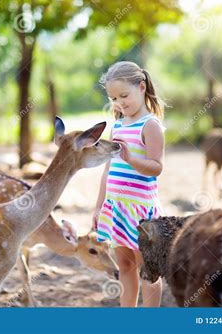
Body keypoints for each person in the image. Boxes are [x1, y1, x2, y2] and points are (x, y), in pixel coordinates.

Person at [93, 61, 165, 307]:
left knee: (148, 270)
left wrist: (132, 159)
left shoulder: (150, 125)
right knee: (125, 265)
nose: (119, 102)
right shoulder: (117, 126)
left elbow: (156, 166)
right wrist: (99, 205)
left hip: (141, 211)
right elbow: (108, 169)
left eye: (124, 95)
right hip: (117, 208)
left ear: (141, 87)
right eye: (114, 98)